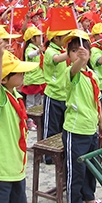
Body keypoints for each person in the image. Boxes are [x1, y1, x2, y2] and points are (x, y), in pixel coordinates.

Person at [0, 35, 38, 203]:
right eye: (18, 72)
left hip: (16, 169)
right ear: (5, 79)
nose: (23, 74)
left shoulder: (17, 96)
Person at [62, 30, 102, 203]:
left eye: (83, 49)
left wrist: (101, 123)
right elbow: (75, 69)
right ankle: (75, 202)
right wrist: (80, 60)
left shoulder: (92, 75)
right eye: (73, 51)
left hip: (91, 128)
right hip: (75, 129)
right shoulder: (72, 73)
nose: (79, 53)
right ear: (69, 55)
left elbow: (97, 101)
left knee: (91, 166)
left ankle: (89, 195)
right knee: (76, 169)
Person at [42, 29, 71, 163]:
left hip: (64, 95)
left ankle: (60, 153)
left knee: (63, 127)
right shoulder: (50, 51)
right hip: (53, 95)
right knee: (51, 128)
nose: (66, 38)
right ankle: (48, 155)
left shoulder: (61, 49)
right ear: (55, 38)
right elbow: (57, 59)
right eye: (63, 36)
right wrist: (72, 52)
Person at [22, 26, 45, 131]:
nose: (41, 38)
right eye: (38, 36)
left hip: (39, 79)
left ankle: (36, 119)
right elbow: (30, 55)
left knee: (37, 101)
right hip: (31, 80)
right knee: (30, 103)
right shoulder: (30, 49)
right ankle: (29, 120)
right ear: (32, 39)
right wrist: (38, 52)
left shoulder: (37, 48)